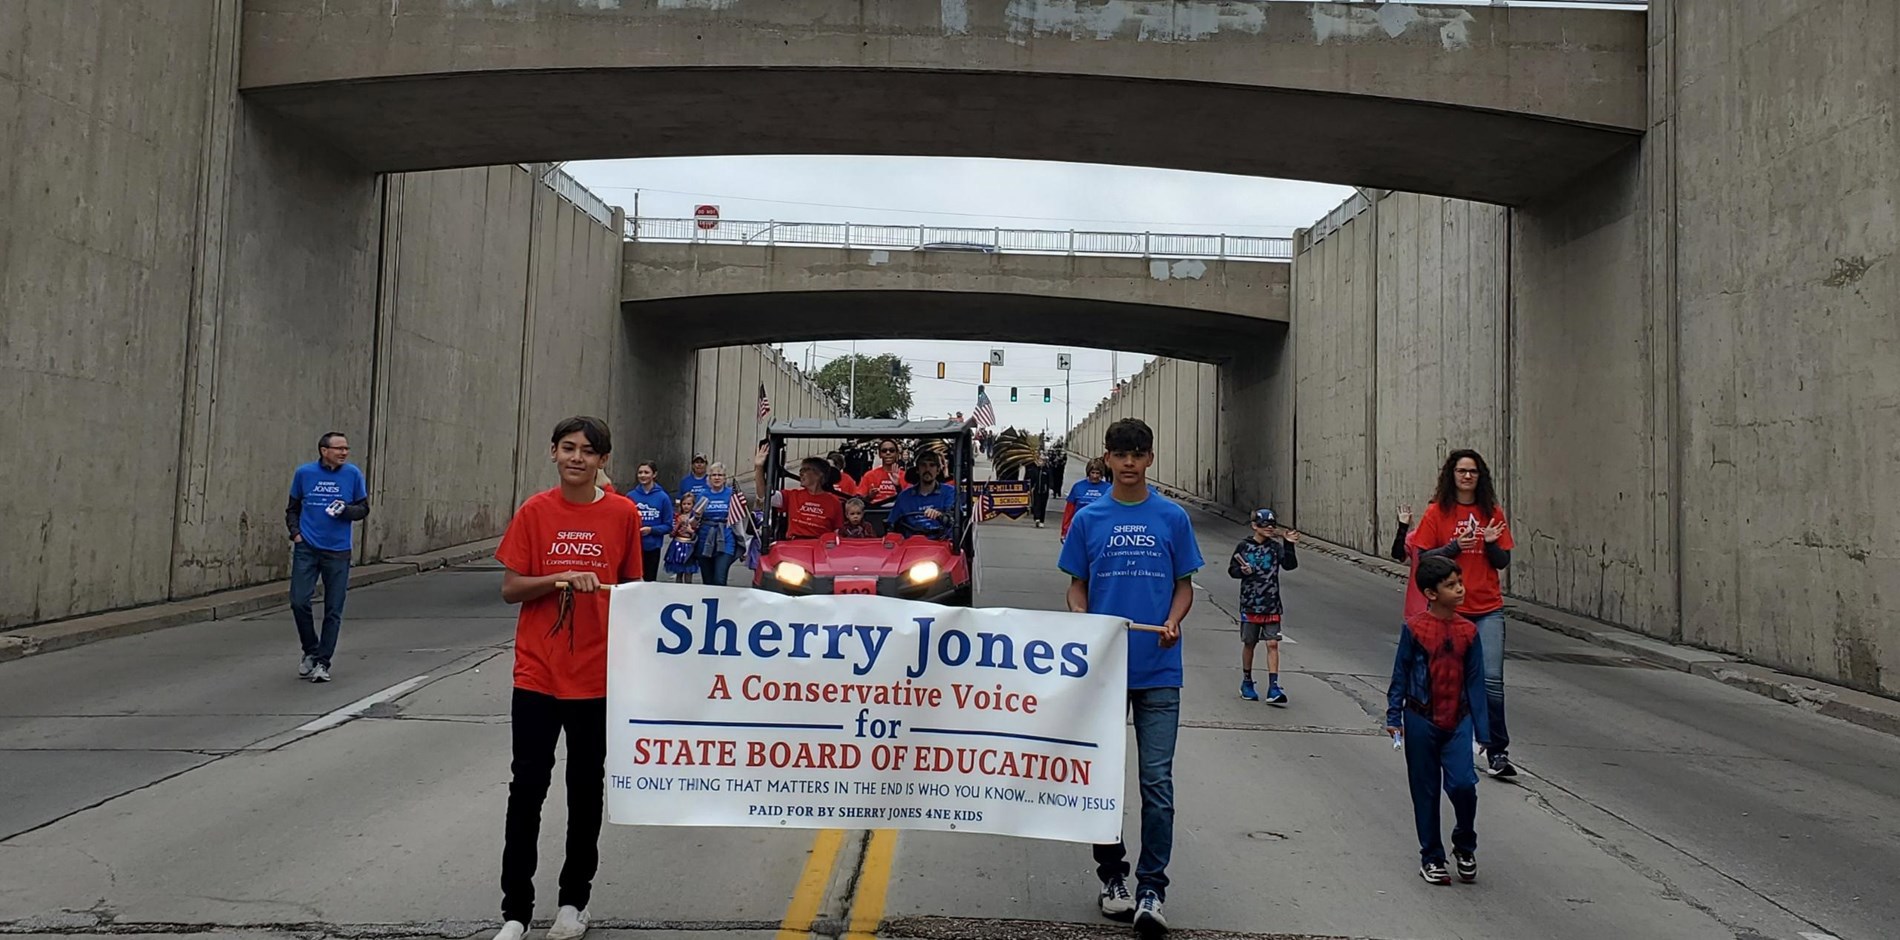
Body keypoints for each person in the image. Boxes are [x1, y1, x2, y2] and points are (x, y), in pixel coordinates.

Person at [491, 416, 644, 940]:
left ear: (604, 460)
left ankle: (573, 903)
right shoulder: (535, 511)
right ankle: (515, 910)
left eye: (588, 450)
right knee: (527, 788)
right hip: (536, 673)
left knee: (585, 789)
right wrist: (559, 577)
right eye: (568, 448)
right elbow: (512, 588)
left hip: (597, 677)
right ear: (553, 453)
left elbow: (634, 595)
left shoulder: (623, 514)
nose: (577, 457)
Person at [1056, 418, 1201, 936]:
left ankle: (1151, 889)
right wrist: (1081, 618)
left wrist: (1174, 621)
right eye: (1121, 454)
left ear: (1151, 458)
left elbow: (1185, 585)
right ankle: (1112, 876)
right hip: (1106, 672)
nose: (1130, 463)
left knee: (1156, 784)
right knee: (1104, 783)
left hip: (1160, 670)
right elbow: (1078, 587)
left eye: (1138, 453)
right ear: (1109, 458)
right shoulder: (1090, 520)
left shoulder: (1173, 517)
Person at [1408, 450, 1516, 778]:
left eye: (1472, 472)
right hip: (1448, 611)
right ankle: (1445, 739)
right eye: (1461, 471)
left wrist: (1492, 543)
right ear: (1451, 475)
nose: (1467, 476)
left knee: (1491, 681)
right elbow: (1425, 559)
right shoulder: (1437, 513)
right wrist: (1455, 546)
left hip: (1487, 608)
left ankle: (1497, 752)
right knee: (1447, 681)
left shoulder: (1492, 512)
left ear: (1480, 477)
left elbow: (1501, 561)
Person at [1385, 555, 1491, 887]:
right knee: (1425, 791)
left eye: (1460, 582)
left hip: (1458, 720)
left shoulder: (1468, 632)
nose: (1460, 589)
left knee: (1464, 785)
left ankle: (1465, 843)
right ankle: (1432, 857)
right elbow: (1401, 672)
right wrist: (1393, 714)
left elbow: (1475, 681)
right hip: (1419, 718)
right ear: (1431, 593)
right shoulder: (1414, 628)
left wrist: (1484, 732)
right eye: (1451, 585)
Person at [284, 431, 369, 683]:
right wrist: (296, 533)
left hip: (338, 550)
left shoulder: (352, 474)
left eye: (346, 448)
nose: (343, 453)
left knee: (333, 608)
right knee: (299, 601)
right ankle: (310, 650)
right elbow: (293, 508)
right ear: (324, 451)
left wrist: (346, 510)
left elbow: (363, 508)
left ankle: (323, 662)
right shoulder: (304, 473)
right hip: (307, 548)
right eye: (338, 448)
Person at [1227, 508, 1300, 704]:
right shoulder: (1244, 546)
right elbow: (1232, 570)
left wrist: (1289, 544)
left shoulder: (1275, 548)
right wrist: (1242, 571)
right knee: (1249, 643)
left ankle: (1273, 686)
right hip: (1250, 604)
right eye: (1264, 525)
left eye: (1272, 525)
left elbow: (1290, 565)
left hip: (1272, 604)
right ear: (1254, 526)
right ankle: (1247, 681)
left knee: (1272, 643)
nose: (1269, 528)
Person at [756, 449, 843, 540]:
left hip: (821, 546)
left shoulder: (834, 502)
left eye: (805, 470)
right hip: (794, 545)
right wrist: (759, 467)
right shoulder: (792, 495)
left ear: (819, 474)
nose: (800, 473)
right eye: (801, 470)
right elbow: (764, 496)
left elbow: (837, 532)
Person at [888, 452, 958, 539]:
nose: (927, 469)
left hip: (942, 543)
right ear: (917, 469)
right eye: (923, 465)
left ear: (938, 470)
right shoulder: (904, 497)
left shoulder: (949, 492)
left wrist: (940, 515)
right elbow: (891, 525)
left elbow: (954, 520)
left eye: (932, 465)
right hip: (911, 546)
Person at [694, 462, 743, 586]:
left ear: (725, 478)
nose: (717, 478)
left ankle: (722, 604)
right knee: (708, 581)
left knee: (719, 579)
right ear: (709, 478)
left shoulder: (731, 494)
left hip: (726, 539)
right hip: (705, 540)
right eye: (714, 475)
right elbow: (693, 522)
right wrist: (697, 516)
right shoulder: (703, 495)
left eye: (720, 475)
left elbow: (737, 520)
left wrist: (743, 543)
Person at [626, 461, 673, 583]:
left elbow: (668, 526)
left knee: (649, 581)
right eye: (640, 472)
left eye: (646, 472)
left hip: (652, 548)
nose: (642, 475)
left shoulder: (663, 497)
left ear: (654, 474)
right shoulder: (630, 496)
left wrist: (651, 530)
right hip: (633, 547)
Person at [1060, 458, 1111, 539]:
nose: (1095, 476)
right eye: (1092, 473)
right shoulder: (1078, 487)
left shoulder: (1108, 488)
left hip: (1100, 529)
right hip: (1080, 527)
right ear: (1088, 472)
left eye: (1097, 473)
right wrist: (1065, 531)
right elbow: (1069, 511)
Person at [664, 492, 703, 583]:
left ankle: (688, 590)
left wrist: (691, 531)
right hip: (677, 545)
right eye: (684, 504)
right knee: (679, 572)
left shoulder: (696, 518)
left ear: (693, 505)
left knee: (688, 572)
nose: (686, 506)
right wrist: (678, 525)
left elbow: (697, 534)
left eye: (689, 504)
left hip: (689, 547)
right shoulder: (677, 517)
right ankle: (678, 590)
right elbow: (671, 534)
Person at [857, 439, 909, 506]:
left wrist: (898, 486)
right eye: (884, 451)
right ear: (880, 454)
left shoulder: (905, 476)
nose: (888, 453)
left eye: (892, 450)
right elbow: (858, 502)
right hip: (876, 512)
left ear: (897, 454)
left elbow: (909, 501)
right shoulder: (869, 475)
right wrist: (870, 497)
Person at [1023, 455, 1050, 528]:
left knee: (1043, 506)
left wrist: (1050, 487)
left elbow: (1050, 480)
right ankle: (1037, 518)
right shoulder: (1034, 470)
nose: (1041, 462)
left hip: (1044, 491)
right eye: (1040, 460)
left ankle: (1042, 520)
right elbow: (1031, 480)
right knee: (1036, 504)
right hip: (1036, 490)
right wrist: (1029, 488)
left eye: (1042, 461)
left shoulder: (1047, 470)